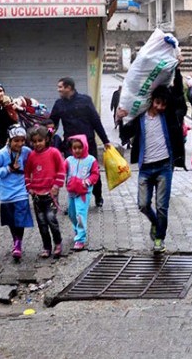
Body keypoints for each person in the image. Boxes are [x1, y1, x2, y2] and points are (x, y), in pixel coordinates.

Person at [119, 67, 187, 254]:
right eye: (157, 103)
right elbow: (125, 135)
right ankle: (156, 224)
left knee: (162, 206)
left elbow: (180, 97)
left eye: (164, 104)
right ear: (151, 101)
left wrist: (178, 71)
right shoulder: (140, 118)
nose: (160, 107)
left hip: (165, 167)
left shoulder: (170, 117)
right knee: (143, 204)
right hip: (145, 168)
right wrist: (120, 119)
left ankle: (159, 238)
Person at [50, 77, 111, 208]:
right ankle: (73, 200)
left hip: (87, 143)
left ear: (69, 88)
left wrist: (105, 140)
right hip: (69, 145)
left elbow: (96, 121)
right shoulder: (58, 104)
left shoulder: (85, 100)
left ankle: (98, 195)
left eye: (60, 87)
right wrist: (46, 136)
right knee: (71, 173)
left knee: (92, 170)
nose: (58, 90)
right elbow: (52, 123)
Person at [0, 125, 33, 261]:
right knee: (12, 221)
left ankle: (18, 244)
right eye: (16, 141)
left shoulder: (26, 152)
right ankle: (16, 241)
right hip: (6, 194)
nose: (19, 144)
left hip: (21, 192)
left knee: (20, 220)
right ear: (10, 140)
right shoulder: (1, 154)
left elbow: (34, 163)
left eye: (22, 140)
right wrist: (8, 169)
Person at [24, 126, 66, 259]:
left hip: (50, 193)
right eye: (34, 141)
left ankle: (58, 243)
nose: (37, 144)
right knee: (41, 222)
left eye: (40, 140)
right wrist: (29, 186)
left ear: (46, 139)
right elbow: (27, 172)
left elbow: (61, 169)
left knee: (51, 219)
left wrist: (56, 186)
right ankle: (46, 246)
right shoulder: (31, 155)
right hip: (36, 195)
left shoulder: (54, 152)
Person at [64, 135, 100, 251]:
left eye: (80, 147)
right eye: (75, 148)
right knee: (72, 213)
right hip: (71, 192)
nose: (77, 150)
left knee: (80, 214)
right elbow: (61, 171)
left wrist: (88, 182)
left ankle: (80, 239)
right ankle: (78, 229)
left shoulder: (91, 160)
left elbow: (95, 174)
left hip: (84, 193)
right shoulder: (69, 160)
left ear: (84, 147)